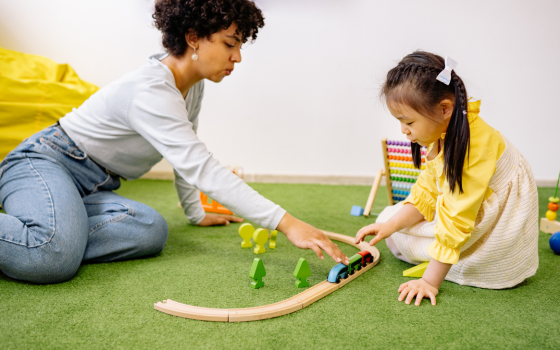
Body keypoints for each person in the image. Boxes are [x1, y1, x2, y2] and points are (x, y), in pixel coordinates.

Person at [0, 0, 349, 284]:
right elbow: (202, 167)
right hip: (43, 162)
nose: (237, 57)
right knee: (53, 258)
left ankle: (57, 234)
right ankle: (54, 242)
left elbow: (187, 151)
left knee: (151, 230)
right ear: (194, 36)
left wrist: (195, 213)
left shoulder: (190, 86)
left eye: (240, 45)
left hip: (90, 187)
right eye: (230, 43)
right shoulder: (151, 91)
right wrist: (287, 223)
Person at [355, 51, 538, 306]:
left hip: (495, 225)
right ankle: (435, 254)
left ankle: (455, 265)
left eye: (407, 121)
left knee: (405, 238)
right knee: (389, 221)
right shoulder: (444, 131)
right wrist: (390, 226)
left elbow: (458, 220)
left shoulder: (472, 147)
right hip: (466, 211)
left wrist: (429, 281)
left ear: (444, 109)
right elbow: (428, 191)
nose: (403, 130)